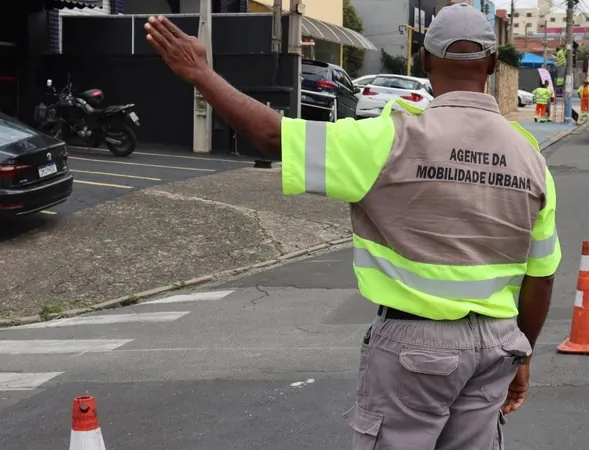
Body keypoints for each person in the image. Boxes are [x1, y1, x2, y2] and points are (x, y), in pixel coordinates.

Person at [144, 3, 559, 449]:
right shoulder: (530, 158)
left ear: (424, 61)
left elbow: (270, 135)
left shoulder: (389, 138)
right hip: (497, 344)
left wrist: (201, 74)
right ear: (493, 65)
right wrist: (524, 353)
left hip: (415, 345)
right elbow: (541, 277)